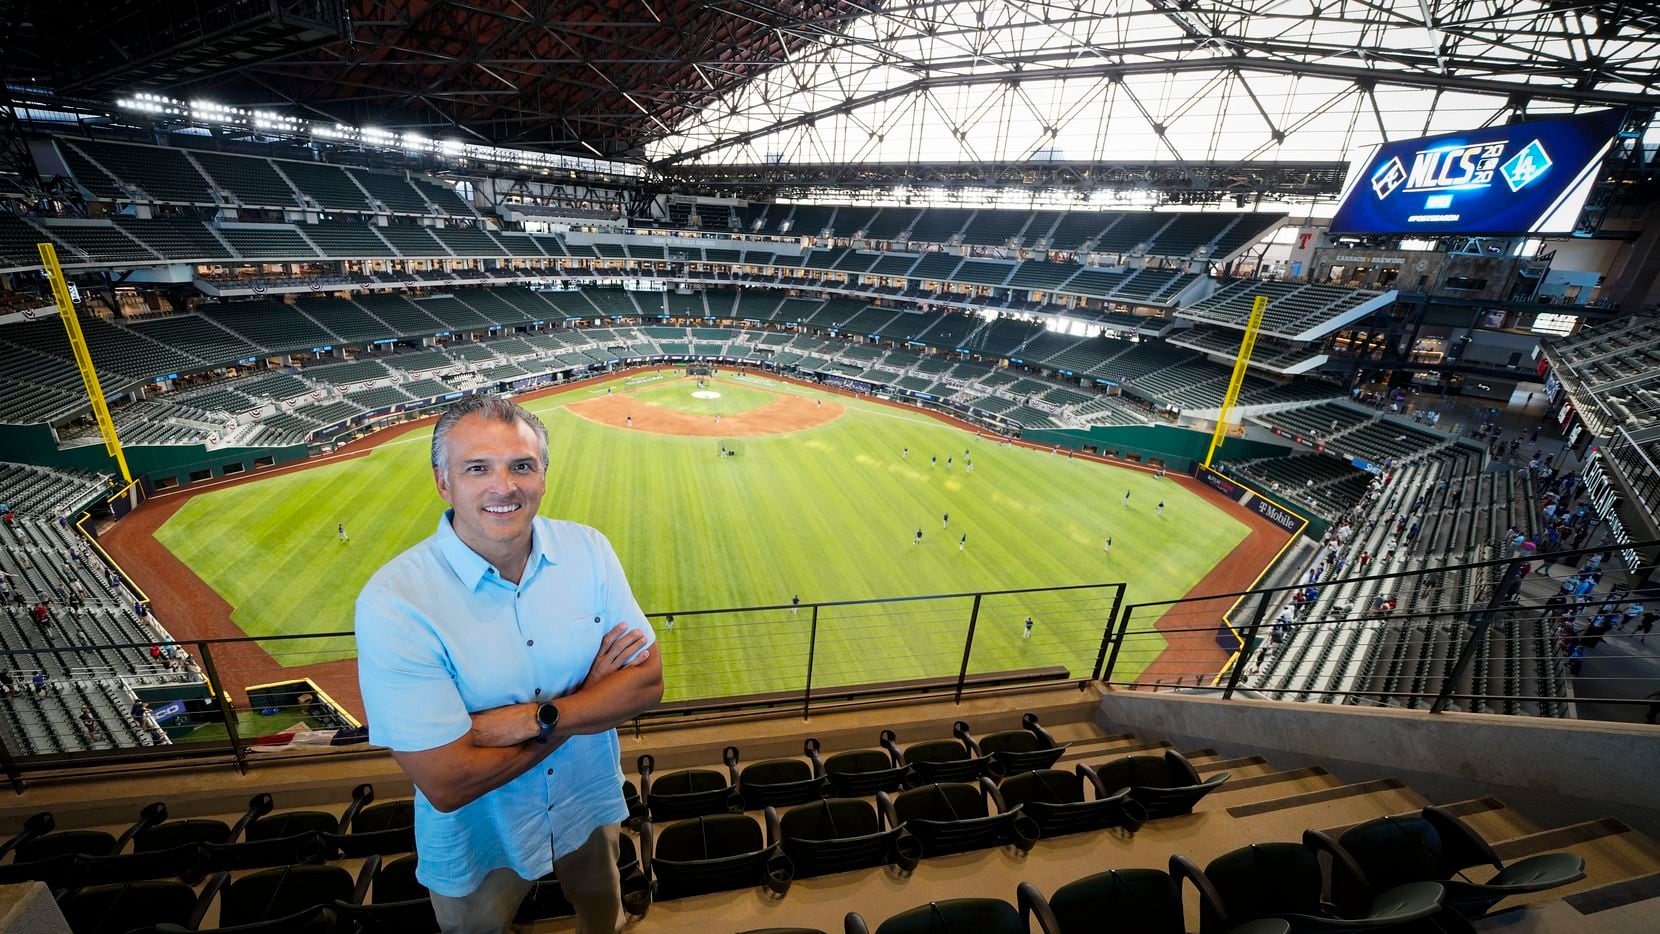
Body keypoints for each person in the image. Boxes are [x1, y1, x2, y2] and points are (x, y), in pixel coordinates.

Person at [355, 395, 662, 934]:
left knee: (601, 913)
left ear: (543, 476)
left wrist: (527, 720)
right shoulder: (394, 602)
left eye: (522, 465)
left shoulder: (589, 550)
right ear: (443, 482)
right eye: (478, 468)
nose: (505, 485)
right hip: (479, 834)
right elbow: (448, 782)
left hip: (585, 802)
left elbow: (646, 683)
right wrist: (582, 703)